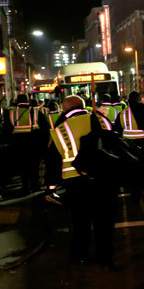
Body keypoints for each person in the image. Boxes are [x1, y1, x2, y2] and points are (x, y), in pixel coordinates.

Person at [44, 95, 118, 270]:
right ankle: (106, 260)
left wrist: (50, 188)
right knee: (105, 223)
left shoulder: (60, 130)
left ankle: (80, 257)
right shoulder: (103, 121)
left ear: (65, 109)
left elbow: (53, 162)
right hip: (105, 180)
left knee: (80, 223)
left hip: (76, 184)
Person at [5, 94, 51, 195]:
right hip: (33, 142)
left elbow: (6, 129)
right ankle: (35, 185)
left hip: (18, 143)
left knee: (22, 166)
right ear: (28, 101)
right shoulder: (35, 111)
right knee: (34, 165)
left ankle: (25, 186)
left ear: (17, 101)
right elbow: (45, 128)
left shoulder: (11, 112)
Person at [114, 91, 144, 198]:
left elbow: (118, 130)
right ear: (139, 99)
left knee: (133, 172)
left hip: (130, 146)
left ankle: (135, 193)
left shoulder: (123, 113)